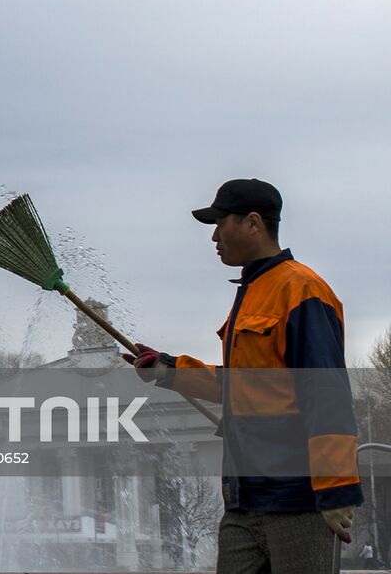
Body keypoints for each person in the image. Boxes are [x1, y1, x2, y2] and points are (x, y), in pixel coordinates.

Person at [123, 178, 362, 573]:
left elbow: (327, 394)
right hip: (243, 499)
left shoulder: (302, 290)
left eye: (221, 223)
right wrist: (168, 369)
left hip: (298, 499)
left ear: (253, 223)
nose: (214, 236)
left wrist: (336, 489)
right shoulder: (251, 292)